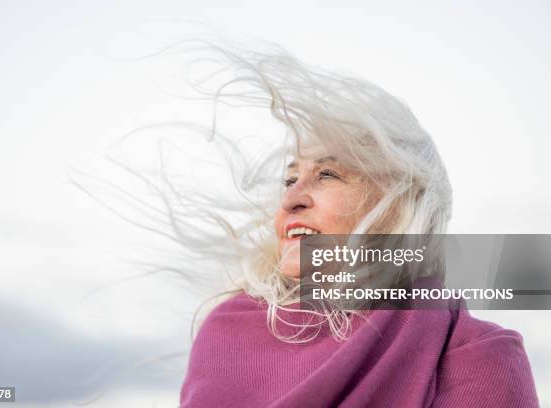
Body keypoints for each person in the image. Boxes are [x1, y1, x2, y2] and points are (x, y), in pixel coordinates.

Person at [136, 40, 539, 407]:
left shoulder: (479, 356)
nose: (292, 199)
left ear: (397, 202)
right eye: (289, 179)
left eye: (328, 175)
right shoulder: (225, 335)